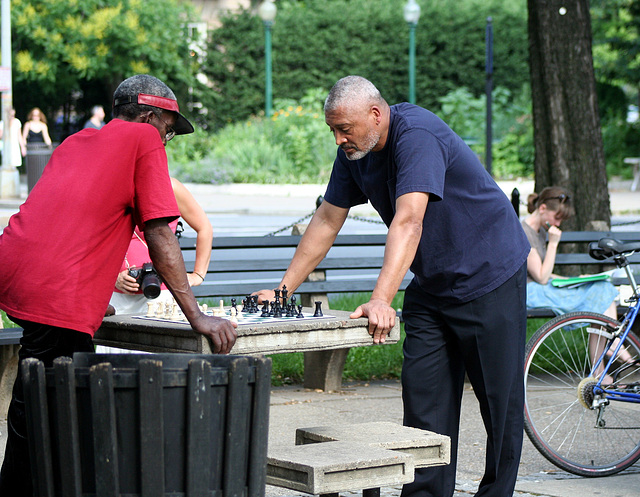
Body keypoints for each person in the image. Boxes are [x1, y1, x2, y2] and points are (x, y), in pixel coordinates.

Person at [256, 75, 530, 497]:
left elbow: (409, 220)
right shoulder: (353, 152)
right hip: (433, 285)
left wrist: (381, 298)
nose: (338, 139)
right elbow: (328, 219)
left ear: (376, 114)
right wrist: (282, 291)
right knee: (424, 404)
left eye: (344, 128)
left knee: (500, 406)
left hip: (489, 274)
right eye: (332, 129)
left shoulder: (415, 134)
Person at [0, 74, 237, 496]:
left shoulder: (76, 142)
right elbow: (162, 236)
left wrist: (88, 293)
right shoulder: (143, 141)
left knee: (36, 405)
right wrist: (197, 315)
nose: (167, 140)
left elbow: (66, 221)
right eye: (168, 128)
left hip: (17, 271)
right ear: (148, 116)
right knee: (65, 422)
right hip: (54, 295)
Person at [522, 186, 632, 376]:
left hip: (543, 287)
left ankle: (600, 370)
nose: (558, 223)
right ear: (542, 209)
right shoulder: (524, 231)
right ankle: (612, 345)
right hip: (532, 292)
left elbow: (544, 275)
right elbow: (540, 276)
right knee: (602, 292)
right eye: (557, 217)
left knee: (602, 288)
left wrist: (573, 280)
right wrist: (554, 243)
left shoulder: (538, 230)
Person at [109, 177, 213, 315]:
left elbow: (204, 227)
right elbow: (91, 240)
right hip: (116, 296)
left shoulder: (171, 187)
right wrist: (112, 277)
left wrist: (198, 275)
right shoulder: (109, 187)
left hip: (163, 292)